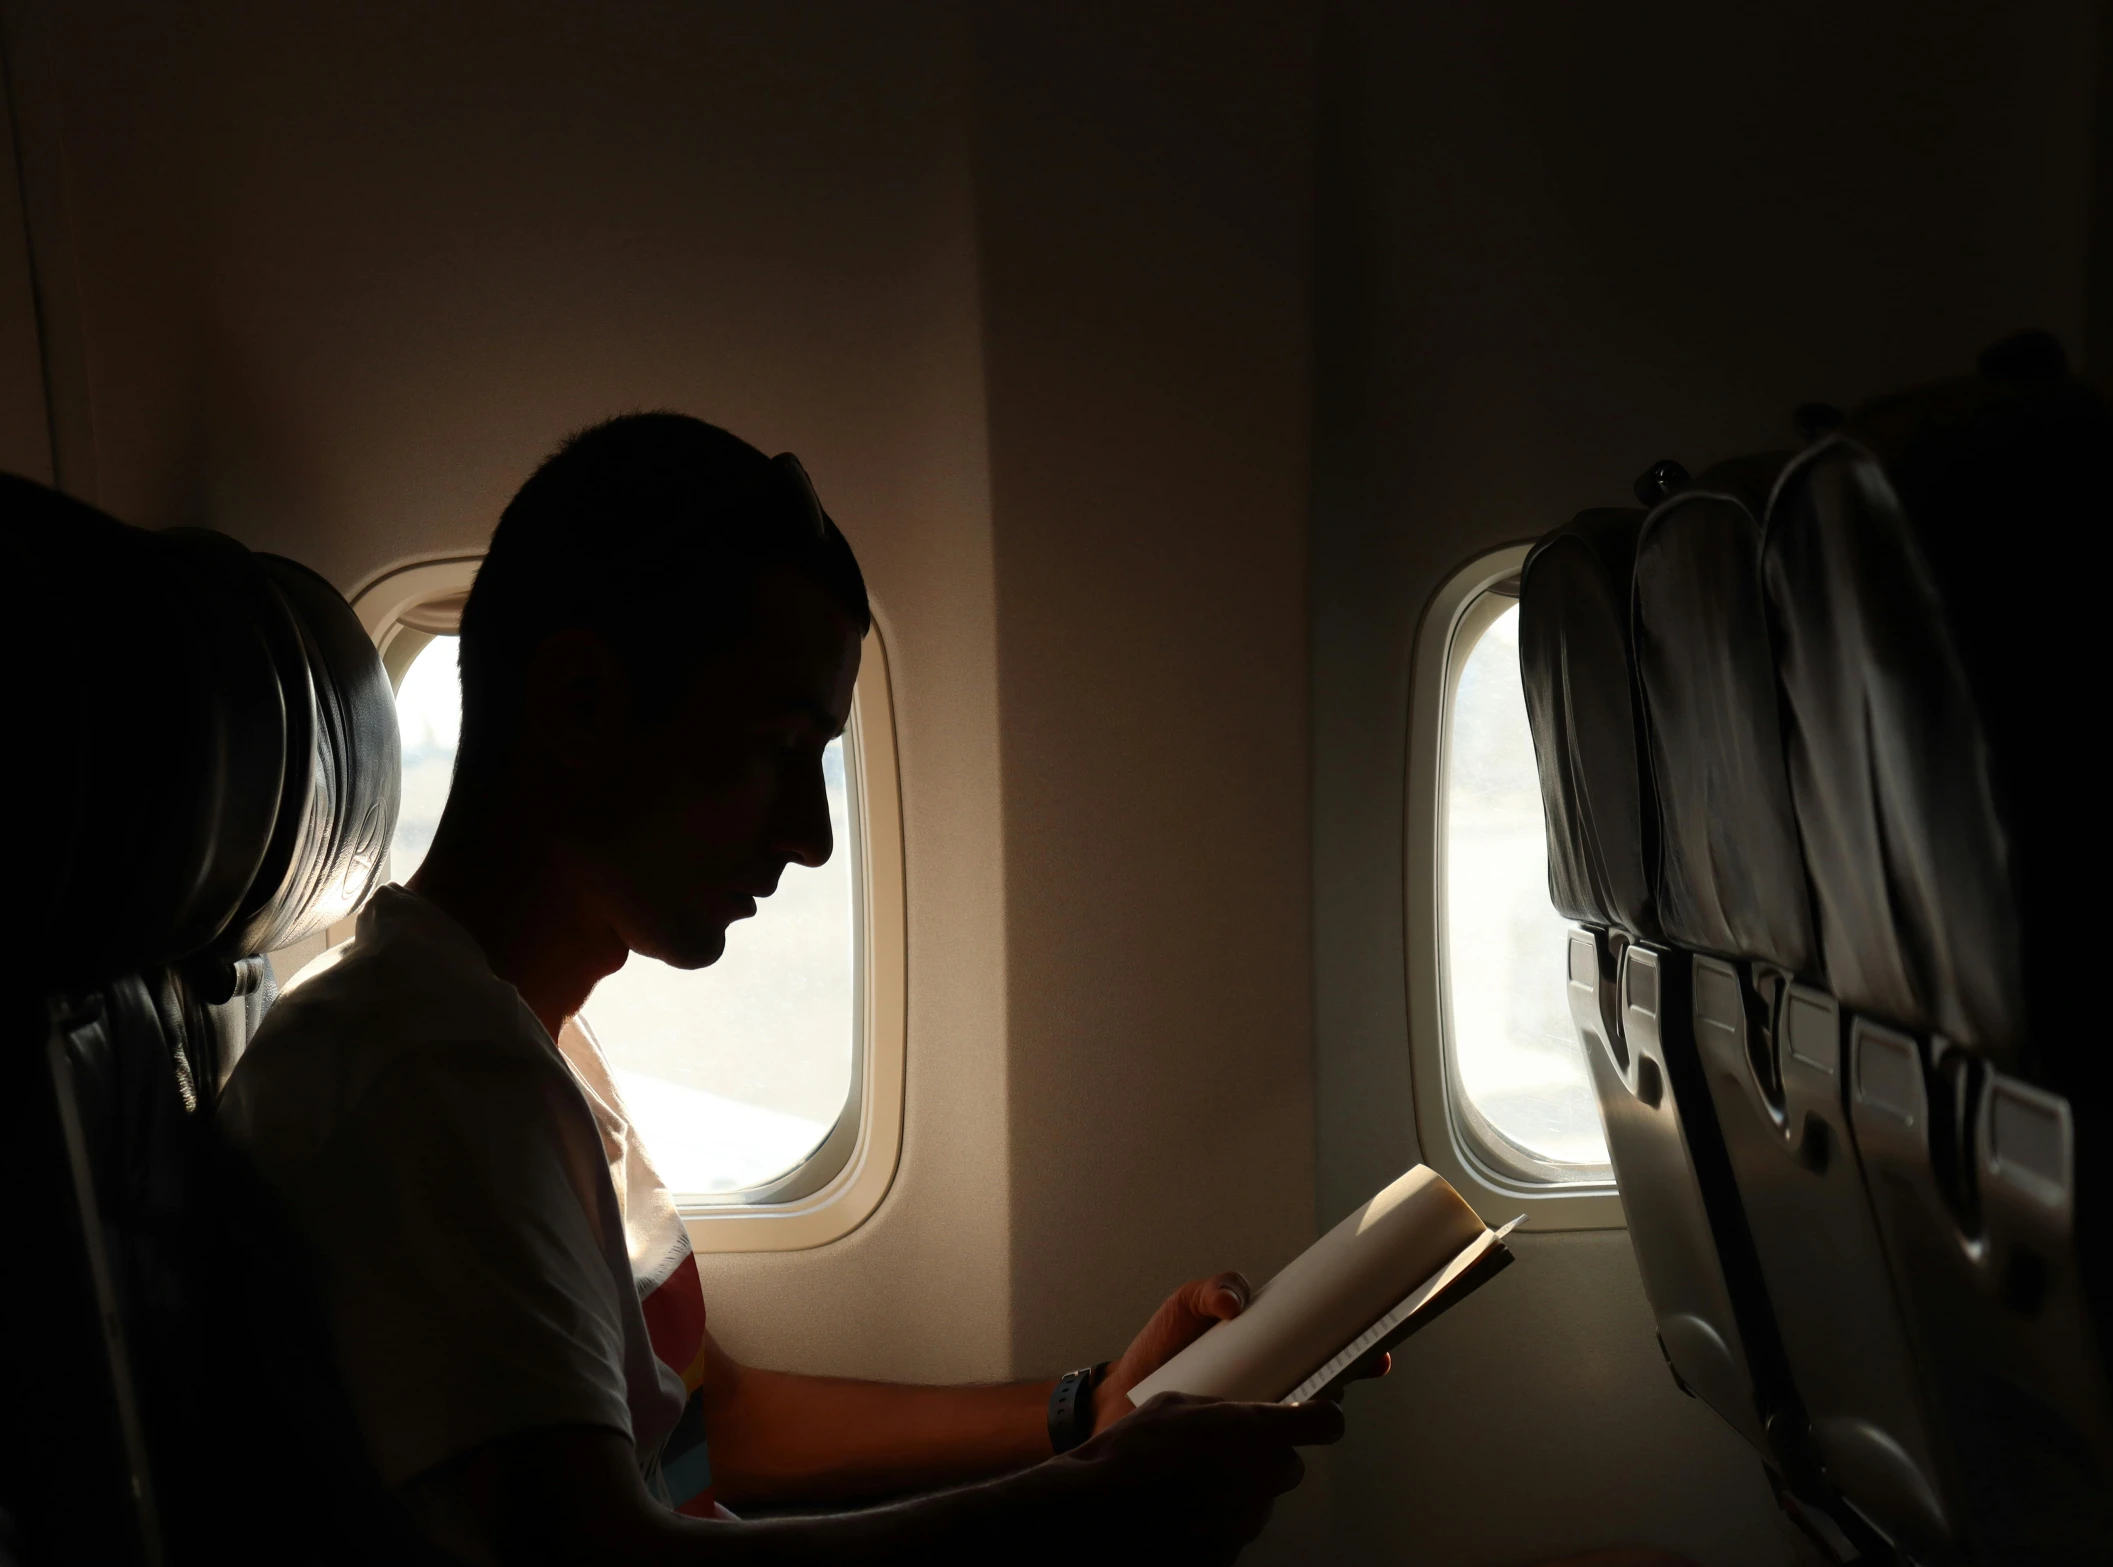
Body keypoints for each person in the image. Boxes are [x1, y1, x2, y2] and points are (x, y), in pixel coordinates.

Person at [220, 413, 1355, 1565]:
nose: (812, 838)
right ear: (579, 704)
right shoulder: (425, 1078)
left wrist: (1087, 1406)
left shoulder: (518, 1041)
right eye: (777, 747)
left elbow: (712, 1422)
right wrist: (1092, 1512)